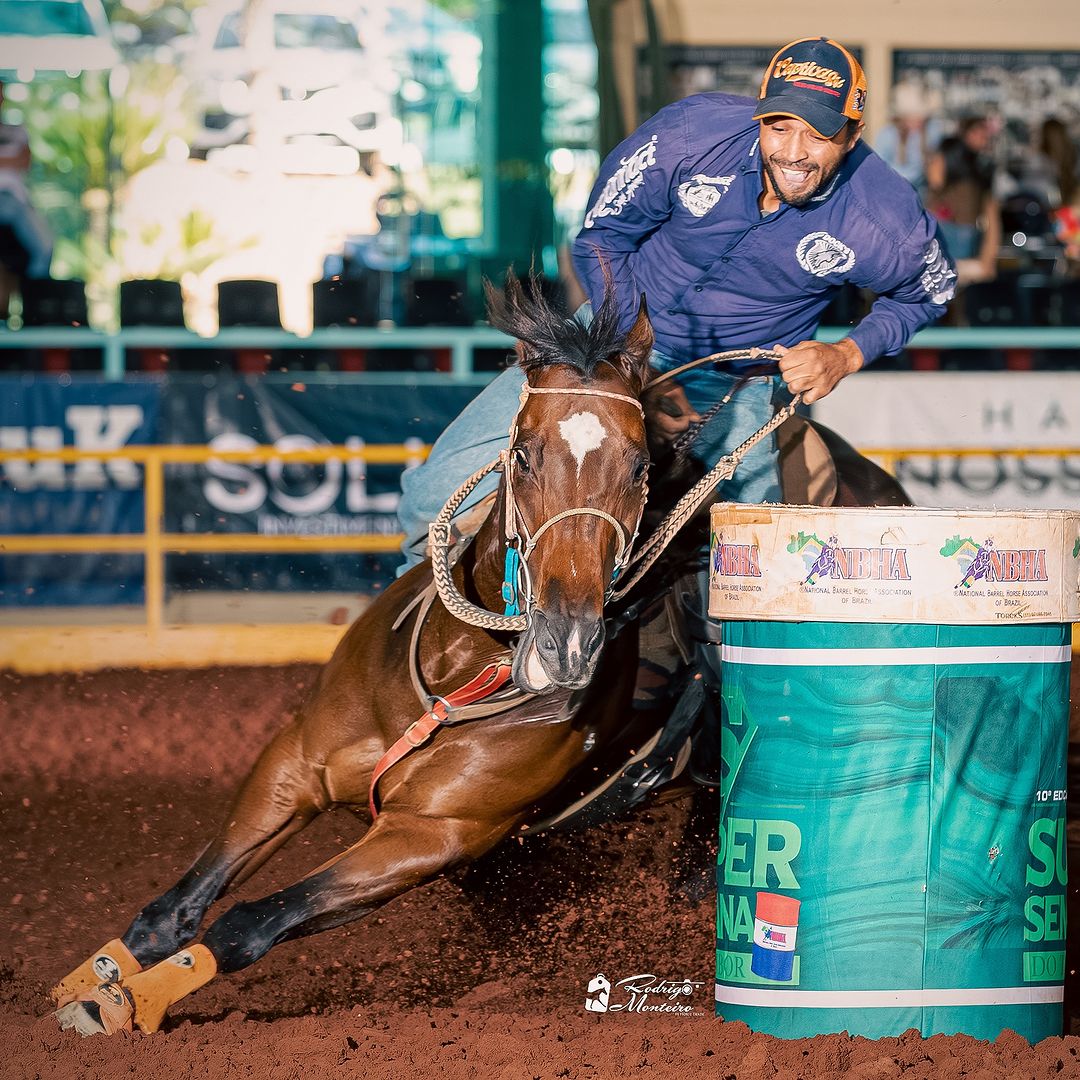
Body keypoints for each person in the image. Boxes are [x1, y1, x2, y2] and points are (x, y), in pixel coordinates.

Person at [397, 35, 957, 572]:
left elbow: (930, 290)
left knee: (755, 561)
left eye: (817, 136)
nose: (793, 151)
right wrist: (631, 354)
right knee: (429, 501)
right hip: (607, 344)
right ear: (760, 117)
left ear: (852, 136)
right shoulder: (688, 135)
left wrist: (847, 354)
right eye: (779, 127)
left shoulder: (885, 218)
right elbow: (601, 236)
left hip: (736, 381)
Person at [925, 116, 1001, 285]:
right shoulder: (940, 192)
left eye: (935, 160)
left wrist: (986, 262)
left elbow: (990, 223)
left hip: (956, 265)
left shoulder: (965, 191)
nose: (929, 165)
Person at [0, 78, 54, 286]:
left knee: (44, 247)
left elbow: (25, 161)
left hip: (15, 201)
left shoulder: (15, 129)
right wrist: (10, 159)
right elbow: (17, 159)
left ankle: (36, 302)